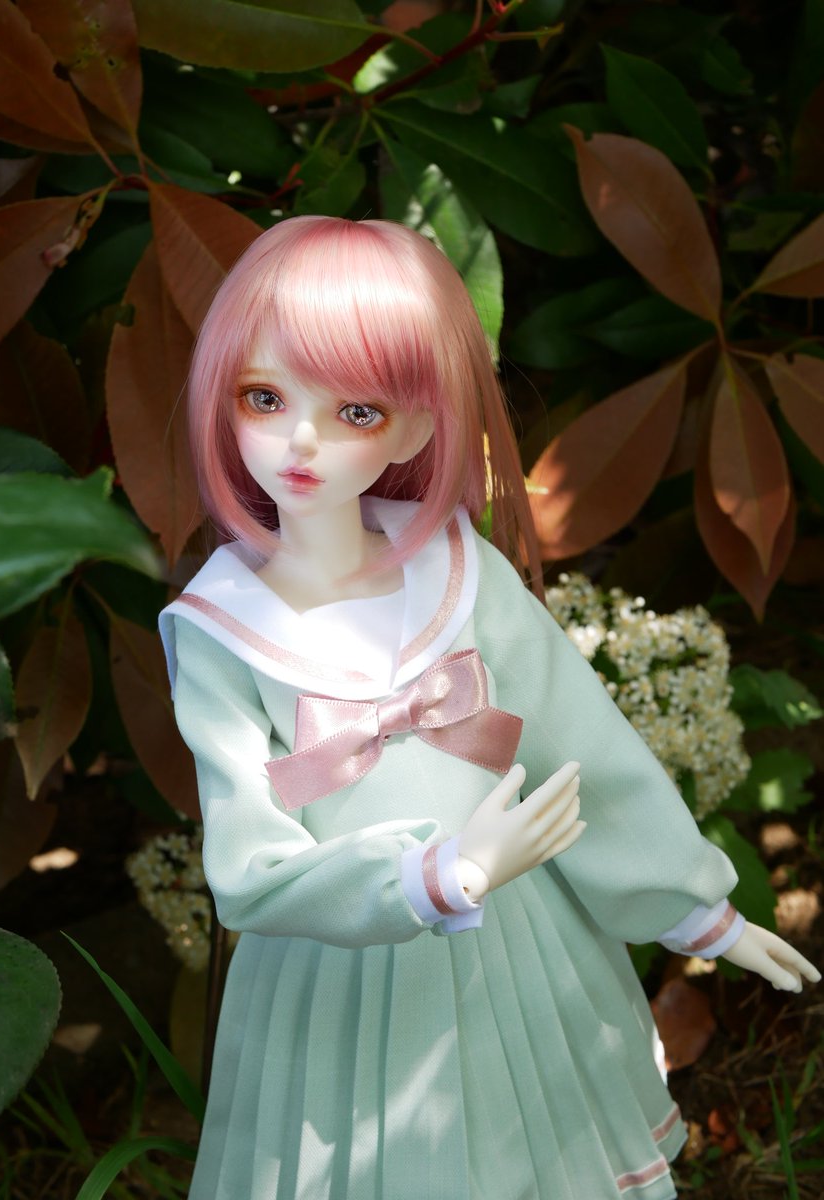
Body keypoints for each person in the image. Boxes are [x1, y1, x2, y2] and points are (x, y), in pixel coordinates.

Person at [159, 216, 818, 1200]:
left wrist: (692, 907)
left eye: (355, 412)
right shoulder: (221, 627)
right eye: (264, 397)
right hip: (341, 973)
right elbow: (250, 875)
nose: (299, 440)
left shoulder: (459, 572)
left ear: (418, 428)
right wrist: (437, 877)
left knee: (536, 1154)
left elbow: (581, 743)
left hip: (518, 941)